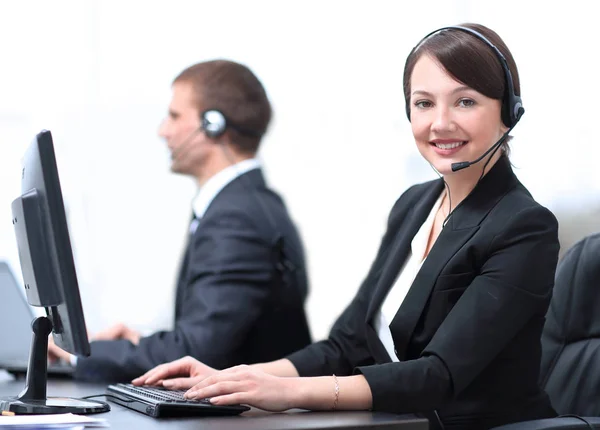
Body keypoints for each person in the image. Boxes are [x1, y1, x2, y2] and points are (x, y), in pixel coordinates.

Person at [133, 24, 561, 430]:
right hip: (396, 425)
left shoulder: (523, 226)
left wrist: (287, 391)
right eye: (424, 103)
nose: (440, 123)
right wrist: (233, 378)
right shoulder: (416, 205)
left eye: (465, 102)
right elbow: (346, 344)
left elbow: (438, 376)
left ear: (509, 112)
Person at [48, 59, 312, 382]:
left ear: (212, 125)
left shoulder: (237, 218)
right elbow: (209, 335)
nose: (163, 131)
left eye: (174, 116)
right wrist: (137, 344)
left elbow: (197, 351)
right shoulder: (245, 204)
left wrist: (83, 351)